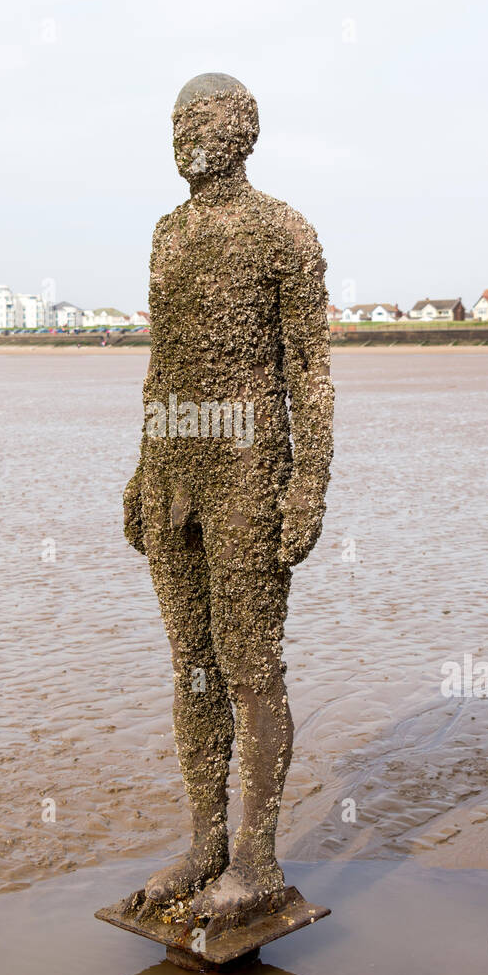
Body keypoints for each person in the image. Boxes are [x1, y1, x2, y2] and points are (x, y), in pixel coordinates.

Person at [123, 73, 334, 930]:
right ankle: (205, 844)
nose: (185, 136)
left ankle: (255, 857)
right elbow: (160, 364)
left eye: (202, 121)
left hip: (248, 467)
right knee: (193, 664)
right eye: (176, 121)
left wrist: (308, 479)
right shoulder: (166, 233)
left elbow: (308, 369)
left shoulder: (282, 230)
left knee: (249, 664)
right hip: (174, 463)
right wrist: (142, 471)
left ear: (243, 131)